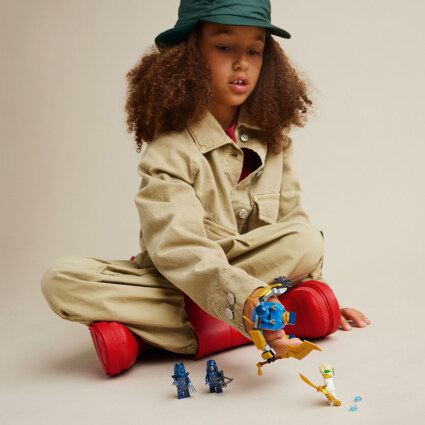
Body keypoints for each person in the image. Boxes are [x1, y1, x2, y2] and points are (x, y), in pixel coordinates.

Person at [41, 0, 371, 377]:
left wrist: (322, 292)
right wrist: (250, 300)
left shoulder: (277, 143)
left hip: (234, 285)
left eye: (254, 50)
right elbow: (179, 249)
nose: (242, 63)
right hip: (181, 275)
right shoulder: (169, 149)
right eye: (224, 46)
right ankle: (255, 319)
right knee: (62, 279)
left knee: (306, 239)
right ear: (190, 55)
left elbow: (292, 234)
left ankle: (144, 337)